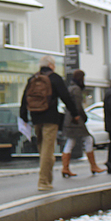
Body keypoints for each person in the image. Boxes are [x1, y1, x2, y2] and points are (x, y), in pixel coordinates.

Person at [20, 55, 78, 191]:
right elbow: (66, 97)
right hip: (50, 118)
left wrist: (23, 116)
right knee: (47, 150)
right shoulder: (55, 78)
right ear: (51, 65)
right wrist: (75, 114)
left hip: (35, 117)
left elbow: (24, 98)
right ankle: (43, 182)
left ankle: (48, 178)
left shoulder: (32, 78)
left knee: (43, 148)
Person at [61, 70, 104, 177]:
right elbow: (78, 107)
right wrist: (83, 117)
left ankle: (65, 167)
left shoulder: (70, 88)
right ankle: (93, 166)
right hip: (76, 120)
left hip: (69, 119)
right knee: (88, 139)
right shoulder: (77, 90)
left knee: (71, 141)